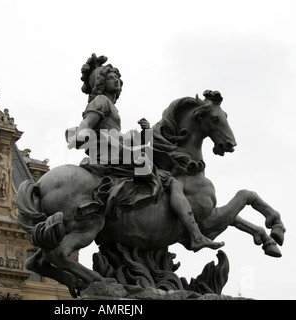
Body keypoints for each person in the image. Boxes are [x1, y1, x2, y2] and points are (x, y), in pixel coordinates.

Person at [67, 54, 223, 252]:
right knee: (172, 181)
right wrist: (82, 133)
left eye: (117, 77)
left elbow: (120, 138)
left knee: (147, 153)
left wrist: (147, 132)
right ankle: (196, 235)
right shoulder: (101, 101)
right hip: (110, 154)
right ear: (100, 83)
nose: (116, 80)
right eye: (110, 77)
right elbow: (87, 123)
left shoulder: (111, 107)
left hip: (116, 151)